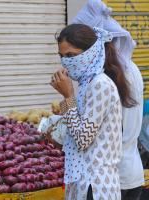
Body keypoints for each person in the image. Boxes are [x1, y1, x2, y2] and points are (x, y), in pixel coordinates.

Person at [51, 24, 136, 199]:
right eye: (62, 56)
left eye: (71, 56)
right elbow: (81, 137)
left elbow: (83, 139)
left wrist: (68, 96)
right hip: (84, 183)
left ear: (90, 53)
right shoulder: (86, 84)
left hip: (96, 187)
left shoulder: (100, 85)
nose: (65, 62)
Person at [72, 1, 145, 199]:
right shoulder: (131, 68)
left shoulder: (103, 79)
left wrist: (68, 101)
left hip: (108, 180)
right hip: (132, 173)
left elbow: (85, 137)